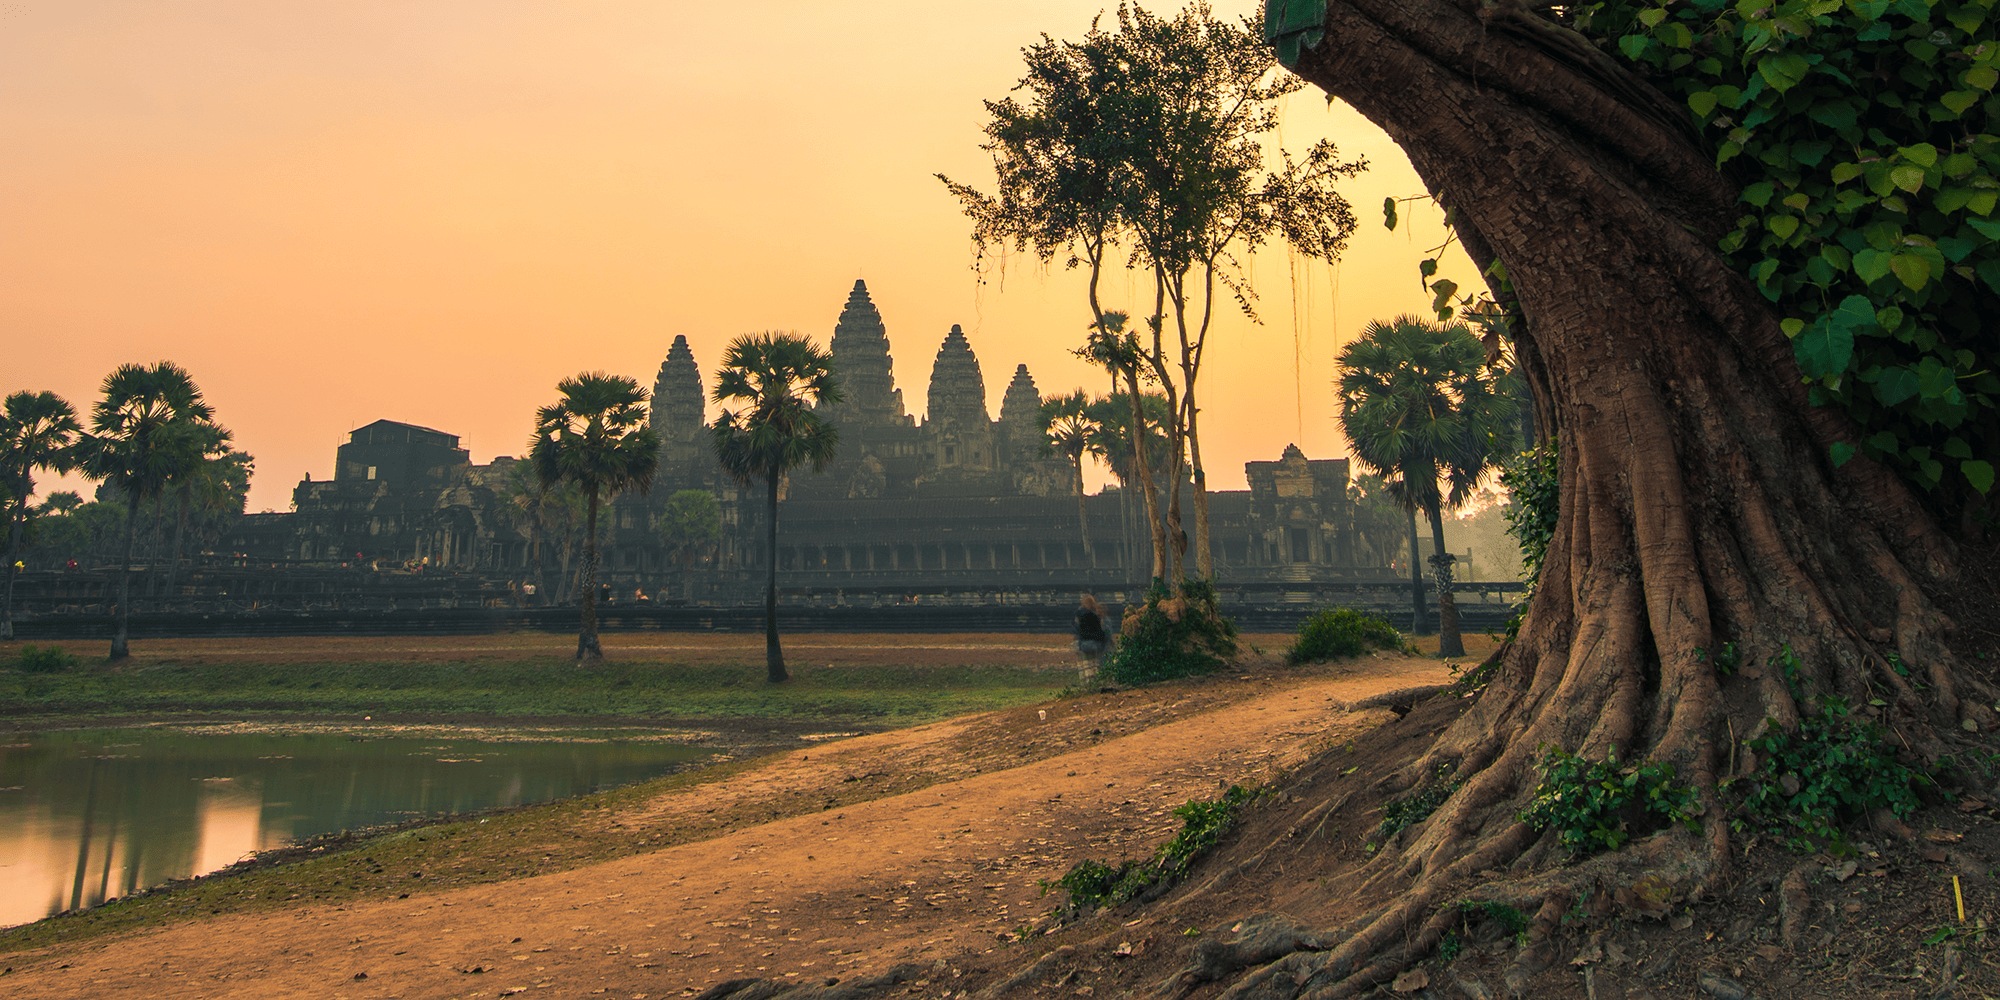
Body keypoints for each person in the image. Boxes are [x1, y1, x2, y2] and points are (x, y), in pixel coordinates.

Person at [1074, 593, 1111, 685]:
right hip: (1095, 643)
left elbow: (1077, 629)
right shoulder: (1095, 617)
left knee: (1088, 664)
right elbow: (1103, 633)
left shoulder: (1081, 615)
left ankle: (1088, 683)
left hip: (1085, 643)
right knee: (1094, 664)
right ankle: (1094, 682)